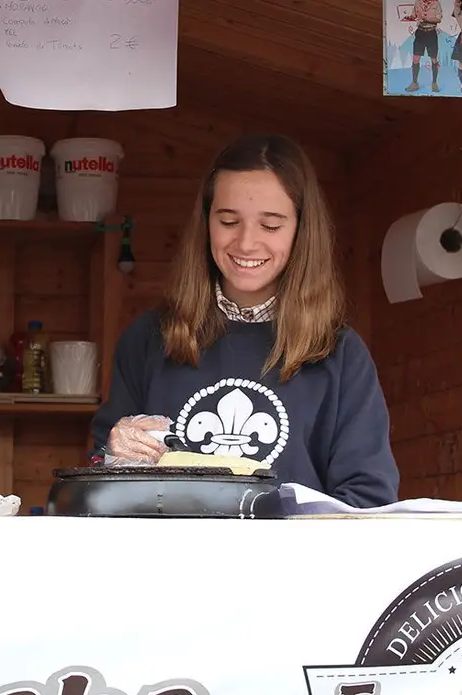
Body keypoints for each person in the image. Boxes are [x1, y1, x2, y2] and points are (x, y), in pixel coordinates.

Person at [89, 134, 399, 508]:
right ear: (206, 224)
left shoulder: (339, 353)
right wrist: (113, 455)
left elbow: (368, 500)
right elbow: (98, 489)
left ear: (301, 231)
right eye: (229, 221)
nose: (247, 243)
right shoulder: (149, 339)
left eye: (271, 225)